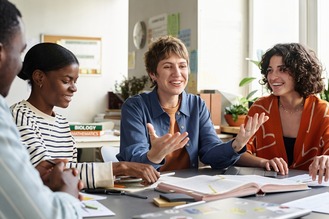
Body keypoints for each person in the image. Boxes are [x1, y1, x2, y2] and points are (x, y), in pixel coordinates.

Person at [10, 42, 160, 189]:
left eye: (75, 81)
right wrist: (121, 167)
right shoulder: (19, 117)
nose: (74, 88)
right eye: (66, 80)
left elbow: (73, 175)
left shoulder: (61, 123)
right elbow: (47, 174)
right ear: (39, 77)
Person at [116, 35, 269, 171]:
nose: (177, 73)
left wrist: (236, 145)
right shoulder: (135, 107)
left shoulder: (197, 104)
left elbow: (210, 153)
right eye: (168, 66)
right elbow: (132, 161)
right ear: (153, 74)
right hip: (145, 190)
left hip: (186, 189)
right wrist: (154, 155)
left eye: (182, 66)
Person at [0, 0, 83, 218]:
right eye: (18, 53)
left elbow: (66, 170)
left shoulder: (62, 122)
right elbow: (45, 212)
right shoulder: (15, 114)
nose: (19, 66)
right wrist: (69, 191)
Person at [236, 43, 329, 183]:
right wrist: (263, 162)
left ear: (301, 72)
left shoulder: (323, 112)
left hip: (311, 194)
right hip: (268, 191)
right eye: (270, 70)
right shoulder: (260, 108)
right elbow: (240, 153)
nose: (273, 77)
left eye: (282, 69)